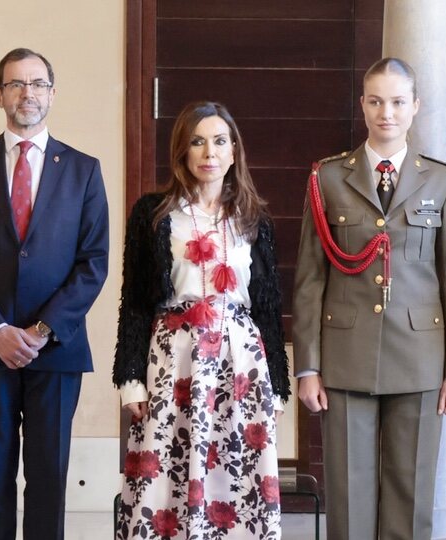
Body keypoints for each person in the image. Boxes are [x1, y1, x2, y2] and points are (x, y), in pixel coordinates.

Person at [293, 57, 446, 540]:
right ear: (363, 106)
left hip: (419, 359)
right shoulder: (328, 178)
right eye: (375, 101)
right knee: (349, 499)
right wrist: (307, 366)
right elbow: (310, 279)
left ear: (414, 107)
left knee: (410, 493)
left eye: (396, 101)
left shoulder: (441, 179)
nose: (385, 112)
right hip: (346, 358)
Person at [0, 48, 109, 540]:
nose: (26, 94)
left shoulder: (83, 170)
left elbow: (93, 262)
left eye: (37, 84)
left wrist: (39, 331)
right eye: (15, 84)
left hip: (56, 350)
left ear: (52, 94)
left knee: (49, 478)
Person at [113, 101, 290, 539]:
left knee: (234, 477)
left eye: (219, 141)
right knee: (165, 476)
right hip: (175, 363)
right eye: (197, 141)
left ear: (233, 152)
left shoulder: (254, 219)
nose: (209, 152)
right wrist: (130, 379)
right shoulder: (153, 215)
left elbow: (268, 307)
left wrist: (278, 386)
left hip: (240, 366)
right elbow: (134, 301)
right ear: (182, 153)